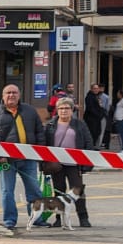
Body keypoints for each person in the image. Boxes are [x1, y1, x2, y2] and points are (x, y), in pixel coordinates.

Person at [0, 81, 44, 235]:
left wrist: (41, 154)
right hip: (7, 161)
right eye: (8, 93)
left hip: (29, 158)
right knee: (7, 191)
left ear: (19, 95)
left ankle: (37, 219)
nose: (11, 95)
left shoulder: (30, 111)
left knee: (34, 190)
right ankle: (9, 221)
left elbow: (39, 131)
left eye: (14, 93)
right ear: (3, 96)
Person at [45, 97, 92, 228]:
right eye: (60, 108)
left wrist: (87, 165)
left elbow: (88, 142)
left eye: (67, 108)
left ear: (72, 110)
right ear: (56, 110)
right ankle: (59, 219)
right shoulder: (50, 125)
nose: (63, 111)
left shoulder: (80, 124)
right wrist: (44, 164)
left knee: (78, 191)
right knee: (59, 192)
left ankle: (83, 218)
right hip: (56, 165)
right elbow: (44, 145)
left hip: (74, 165)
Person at [82, 83, 108, 148]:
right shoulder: (89, 97)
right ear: (91, 89)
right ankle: (90, 146)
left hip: (97, 118)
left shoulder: (97, 96)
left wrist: (102, 113)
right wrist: (99, 114)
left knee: (98, 132)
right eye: (95, 88)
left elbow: (100, 106)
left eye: (97, 88)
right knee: (92, 132)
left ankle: (93, 145)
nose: (96, 90)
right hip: (91, 118)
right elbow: (90, 108)